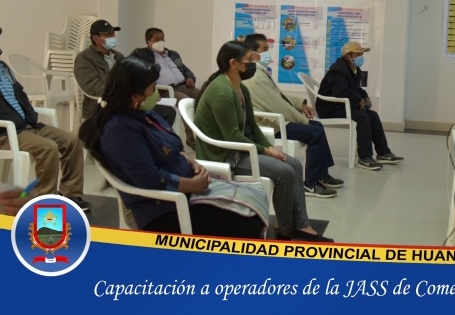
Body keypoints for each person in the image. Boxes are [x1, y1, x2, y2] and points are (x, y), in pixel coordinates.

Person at [78, 57, 264, 238]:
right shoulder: (119, 130)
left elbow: (172, 148)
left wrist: (192, 163)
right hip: (164, 208)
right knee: (249, 224)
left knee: (253, 198)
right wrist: (194, 185)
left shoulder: (146, 115)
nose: (157, 94)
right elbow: (151, 180)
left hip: (186, 192)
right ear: (135, 95)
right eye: (153, 88)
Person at [195, 41, 333, 242]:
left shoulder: (241, 89)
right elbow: (233, 137)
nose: (254, 63)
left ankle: (302, 225)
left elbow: (252, 125)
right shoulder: (222, 92)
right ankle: (287, 230)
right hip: (225, 155)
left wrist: (268, 147)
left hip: (242, 149)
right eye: (249, 60)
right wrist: (267, 152)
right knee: (285, 172)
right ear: (233, 63)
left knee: (295, 165)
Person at [0, 28, 90, 211]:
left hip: (26, 125)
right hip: (6, 133)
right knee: (48, 147)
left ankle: (71, 194)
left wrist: (30, 117)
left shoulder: (4, 68)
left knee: (71, 141)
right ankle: (44, 200)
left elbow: (20, 95)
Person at [243, 34, 343, 198]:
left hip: (275, 118)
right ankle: (310, 184)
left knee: (317, 126)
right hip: (270, 124)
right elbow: (277, 105)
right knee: (315, 133)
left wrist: (300, 104)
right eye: (264, 49)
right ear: (253, 54)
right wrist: (302, 119)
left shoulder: (259, 72)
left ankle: (321, 174)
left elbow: (278, 96)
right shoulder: (255, 76)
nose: (268, 53)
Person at [317, 41, 404, 171]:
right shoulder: (338, 70)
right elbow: (340, 92)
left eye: (361, 54)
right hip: (330, 108)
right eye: (358, 54)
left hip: (342, 105)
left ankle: (383, 153)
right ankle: (365, 158)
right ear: (348, 56)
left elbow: (356, 88)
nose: (361, 56)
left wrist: (365, 96)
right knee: (363, 118)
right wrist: (358, 99)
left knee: (373, 115)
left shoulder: (354, 69)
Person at [74, 20, 176, 125]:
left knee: (168, 112)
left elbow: (133, 78)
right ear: (96, 38)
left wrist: (149, 92)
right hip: (102, 107)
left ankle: (149, 135)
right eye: (108, 34)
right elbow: (92, 87)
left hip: (126, 104)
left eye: (113, 33)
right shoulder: (84, 58)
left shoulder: (118, 56)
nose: (113, 36)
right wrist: (124, 95)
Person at [130, 27, 201, 149]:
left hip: (185, 86)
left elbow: (185, 69)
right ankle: (192, 140)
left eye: (162, 38)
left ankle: (209, 137)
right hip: (168, 91)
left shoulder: (172, 54)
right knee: (188, 103)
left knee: (205, 98)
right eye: (157, 39)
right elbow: (133, 69)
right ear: (148, 42)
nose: (161, 42)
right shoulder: (141, 54)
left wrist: (190, 78)